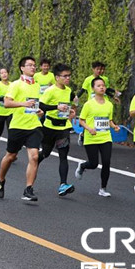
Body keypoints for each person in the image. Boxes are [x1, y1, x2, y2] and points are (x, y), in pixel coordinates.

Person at [0, 56, 43, 201]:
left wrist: (39, 111)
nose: (33, 68)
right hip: (17, 126)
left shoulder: (37, 85)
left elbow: (35, 105)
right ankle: (1, 180)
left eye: (34, 65)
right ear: (22, 68)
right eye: (30, 65)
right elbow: (7, 103)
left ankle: (28, 189)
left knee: (34, 157)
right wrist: (23, 104)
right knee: (10, 157)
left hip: (34, 125)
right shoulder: (15, 84)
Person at [75, 77, 120, 196]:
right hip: (91, 138)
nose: (102, 87)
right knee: (93, 164)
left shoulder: (109, 105)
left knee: (106, 162)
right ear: (93, 88)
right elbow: (81, 120)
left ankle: (103, 189)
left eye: (103, 85)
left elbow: (109, 120)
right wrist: (89, 128)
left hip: (105, 137)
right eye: (98, 86)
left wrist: (114, 126)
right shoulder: (88, 104)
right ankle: (83, 165)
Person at [38, 63, 76, 196]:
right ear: (57, 77)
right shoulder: (50, 91)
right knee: (46, 153)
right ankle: (33, 164)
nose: (67, 78)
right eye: (64, 76)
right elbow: (41, 105)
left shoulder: (69, 91)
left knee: (63, 156)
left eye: (69, 76)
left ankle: (63, 184)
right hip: (49, 127)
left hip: (63, 128)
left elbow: (70, 104)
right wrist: (56, 108)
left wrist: (71, 112)